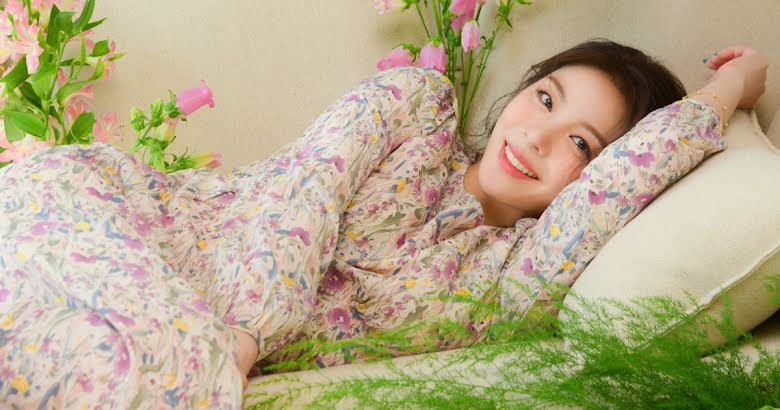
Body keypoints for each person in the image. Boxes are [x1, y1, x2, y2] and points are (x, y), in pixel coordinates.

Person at [0, 38, 767, 408]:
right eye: (545, 98)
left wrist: (732, 84)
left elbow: (633, 171)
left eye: (581, 144)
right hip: (131, 225)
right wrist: (245, 336)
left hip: (189, 331)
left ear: (600, 174)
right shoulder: (419, 108)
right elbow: (303, 193)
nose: (537, 136)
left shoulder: (516, 278)